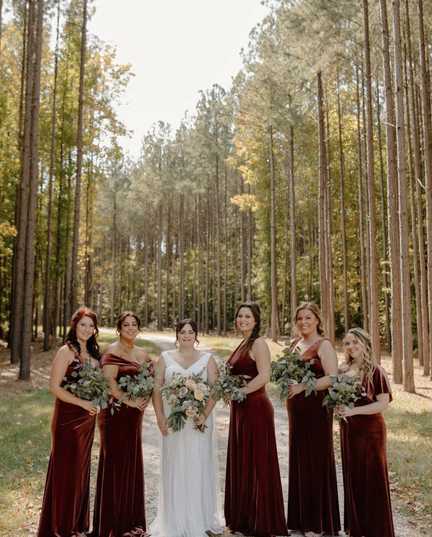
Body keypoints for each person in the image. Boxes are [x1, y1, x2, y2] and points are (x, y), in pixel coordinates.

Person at [151, 318, 223, 537]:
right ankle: (175, 519)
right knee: (175, 464)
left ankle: (200, 520)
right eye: (182, 332)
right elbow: (156, 389)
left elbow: (214, 388)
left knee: (198, 464)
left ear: (196, 335)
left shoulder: (208, 359)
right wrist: (160, 417)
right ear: (176, 334)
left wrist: (205, 414)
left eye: (191, 332)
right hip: (173, 422)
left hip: (198, 422)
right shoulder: (164, 358)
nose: (186, 336)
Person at [224, 301, 288, 537]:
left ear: (257, 321)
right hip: (241, 409)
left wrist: (238, 392)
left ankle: (260, 520)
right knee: (244, 460)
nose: (242, 320)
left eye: (247, 317)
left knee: (256, 461)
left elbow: (264, 376)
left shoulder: (258, 343)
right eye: (240, 316)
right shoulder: (244, 343)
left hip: (255, 408)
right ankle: (243, 517)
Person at [37, 307, 101, 537]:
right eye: (83, 324)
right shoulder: (67, 351)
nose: (87, 329)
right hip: (67, 419)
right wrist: (83, 404)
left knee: (81, 471)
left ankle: (77, 524)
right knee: (66, 471)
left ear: (95, 329)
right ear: (74, 326)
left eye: (91, 325)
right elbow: (54, 388)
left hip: (87, 420)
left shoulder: (94, 353)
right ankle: (59, 528)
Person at [92, 311, 152, 537]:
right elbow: (109, 383)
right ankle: (112, 524)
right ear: (119, 328)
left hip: (134, 417)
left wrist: (143, 398)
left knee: (131, 463)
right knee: (115, 466)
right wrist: (129, 400)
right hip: (114, 415)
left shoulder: (142, 353)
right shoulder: (111, 350)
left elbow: (150, 379)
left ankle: (130, 520)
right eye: (126, 325)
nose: (130, 328)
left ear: (138, 328)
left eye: (134, 324)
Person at [286, 302, 340, 537]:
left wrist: (302, 386)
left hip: (317, 407)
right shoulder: (294, 344)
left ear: (317, 319)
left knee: (316, 460)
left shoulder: (324, 345)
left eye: (308, 318)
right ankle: (300, 519)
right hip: (296, 408)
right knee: (300, 458)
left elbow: (332, 378)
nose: (303, 322)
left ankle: (317, 523)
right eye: (299, 318)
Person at [336, 327, 395, 537]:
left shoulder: (375, 370)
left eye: (355, 342)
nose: (351, 347)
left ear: (364, 344)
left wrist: (354, 410)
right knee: (354, 477)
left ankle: (376, 530)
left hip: (371, 432)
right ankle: (357, 529)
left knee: (372, 478)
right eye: (348, 343)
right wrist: (338, 407)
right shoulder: (343, 370)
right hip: (349, 431)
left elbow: (383, 404)